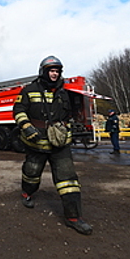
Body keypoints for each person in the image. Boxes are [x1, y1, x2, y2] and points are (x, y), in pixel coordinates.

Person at [13, 55, 92, 235]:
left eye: (57, 71)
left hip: (59, 144)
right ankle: (27, 193)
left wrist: (67, 130)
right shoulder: (29, 90)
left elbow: (68, 116)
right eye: (51, 71)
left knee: (68, 180)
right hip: (36, 142)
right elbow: (18, 110)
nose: (54, 74)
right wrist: (27, 128)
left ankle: (74, 218)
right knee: (32, 173)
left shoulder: (64, 92)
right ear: (44, 72)